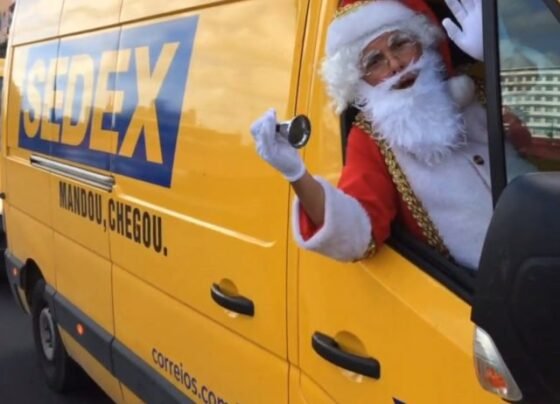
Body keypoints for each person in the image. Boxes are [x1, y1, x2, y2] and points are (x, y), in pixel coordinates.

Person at [250, 0, 490, 270]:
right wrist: (297, 174)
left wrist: (502, 54)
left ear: (422, 42)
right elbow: (357, 234)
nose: (396, 65)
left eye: (400, 44)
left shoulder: (478, 90)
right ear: (358, 79)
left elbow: (533, 134)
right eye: (375, 61)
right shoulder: (370, 139)